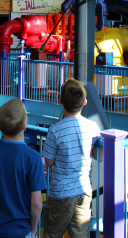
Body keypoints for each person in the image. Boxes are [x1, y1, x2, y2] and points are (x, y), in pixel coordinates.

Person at [42, 80, 103, 238]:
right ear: (85, 102)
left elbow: (49, 162)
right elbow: (99, 156)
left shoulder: (55, 130)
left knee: (52, 233)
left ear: (60, 101)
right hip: (83, 191)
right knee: (79, 234)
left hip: (60, 192)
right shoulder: (92, 127)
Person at [0, 99, 46, 238]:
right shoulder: (33, 157)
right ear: (24, 125)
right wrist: (32, 230)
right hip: (20, 231)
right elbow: (37, 203)